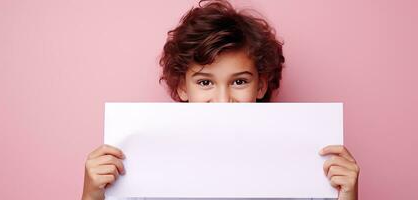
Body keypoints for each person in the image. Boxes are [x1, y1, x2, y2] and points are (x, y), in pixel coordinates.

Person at [81, 0, 360, 199]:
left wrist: (347, 195)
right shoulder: (145, 156)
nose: (224, 100)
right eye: (205, 82)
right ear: (182, 87)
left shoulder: (298, 158)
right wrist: (92, 192)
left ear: (261, 85)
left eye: (239, 82)